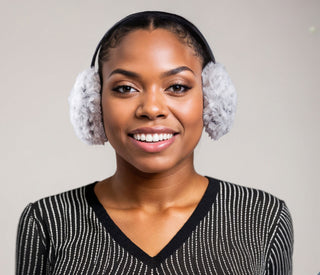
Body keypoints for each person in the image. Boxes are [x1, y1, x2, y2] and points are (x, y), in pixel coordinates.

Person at [16, 11, 293, 275]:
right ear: (92, 103)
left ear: (212, 98)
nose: (151, 108)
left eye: (177, 87)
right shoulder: (47, 222)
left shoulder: (264, 218)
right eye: (125, 88)